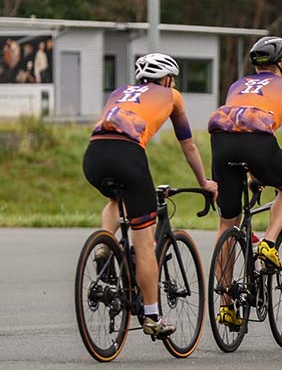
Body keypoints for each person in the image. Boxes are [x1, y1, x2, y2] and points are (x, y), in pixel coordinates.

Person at [83, 53, 217, 338]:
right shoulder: (172, 96)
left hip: (93, 155)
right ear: (166, 79)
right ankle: (153, 317)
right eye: (173, 80)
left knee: (115, 199)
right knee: (144, 240)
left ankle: (104, 245)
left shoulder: (119, 92)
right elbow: (188, 145)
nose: (173, 84)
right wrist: (204, 181)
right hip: (128, 155)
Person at [208, 36, 282, 329]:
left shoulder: (236, 85)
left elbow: (238, 127)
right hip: (258, 141)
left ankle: (226, 305)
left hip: (221, 143)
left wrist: (253, 173)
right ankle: (269, 242)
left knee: (228, 222)